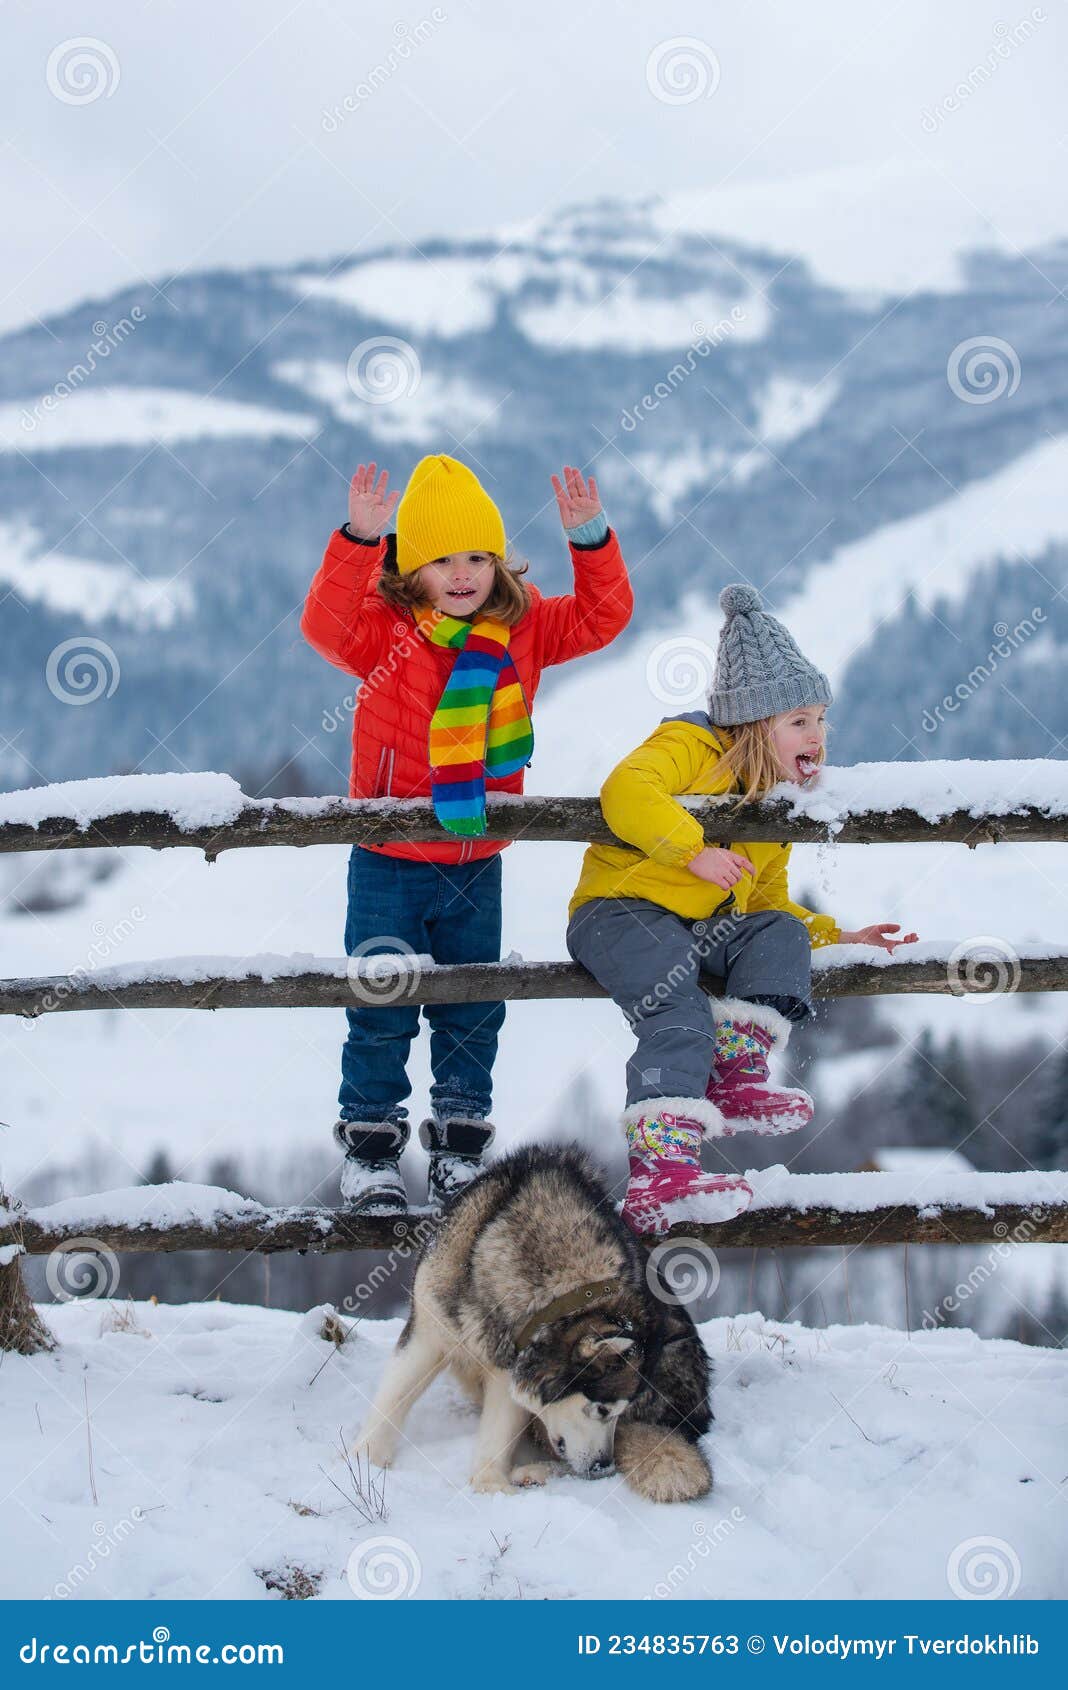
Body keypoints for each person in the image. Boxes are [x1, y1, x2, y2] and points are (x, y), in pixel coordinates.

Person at [301, 455, 632, 1214]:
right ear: (410, 565)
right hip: (388, 859)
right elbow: (324, 623)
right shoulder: (383, 630)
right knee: (382, 1003)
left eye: (477, 557)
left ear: (498, 561)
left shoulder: (522, 626)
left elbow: (601, 618)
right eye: (442, 558)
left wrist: (591, 541)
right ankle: (372, 1152)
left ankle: (458, 1149)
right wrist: (357, 536)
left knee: (472, 1006)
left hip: (477, 858)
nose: (462, 574)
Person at [566, 582, 918, 1236]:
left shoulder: (772, 800)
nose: (818, 734)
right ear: (756, 724)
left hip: (695, 927)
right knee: (680, 1009)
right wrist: (692, 851)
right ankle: (660, 1176)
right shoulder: (690, 747)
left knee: (779, 929)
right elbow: (625, 790)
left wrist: (840, 933)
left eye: (820, 719)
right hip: (617, 911)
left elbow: (765, 903)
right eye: (799, 722)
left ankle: (736, 1074)